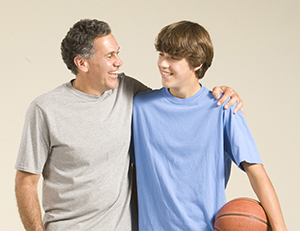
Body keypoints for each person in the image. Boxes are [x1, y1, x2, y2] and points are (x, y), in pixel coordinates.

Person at [14, 19, 243, 231]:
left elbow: (176, 100)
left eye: (118, 53)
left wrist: (222, 93)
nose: (119, 62)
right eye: (109, 56)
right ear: (82, 63)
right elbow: (26, 182)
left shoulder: (127, 91)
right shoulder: (46, 109)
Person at [132, 21, 287, 231]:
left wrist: (281, 229)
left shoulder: (224, 107)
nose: (163, 63)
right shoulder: (139, 107)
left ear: (197, 63)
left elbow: (256, 171)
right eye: (161, 54)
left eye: (173, 58)